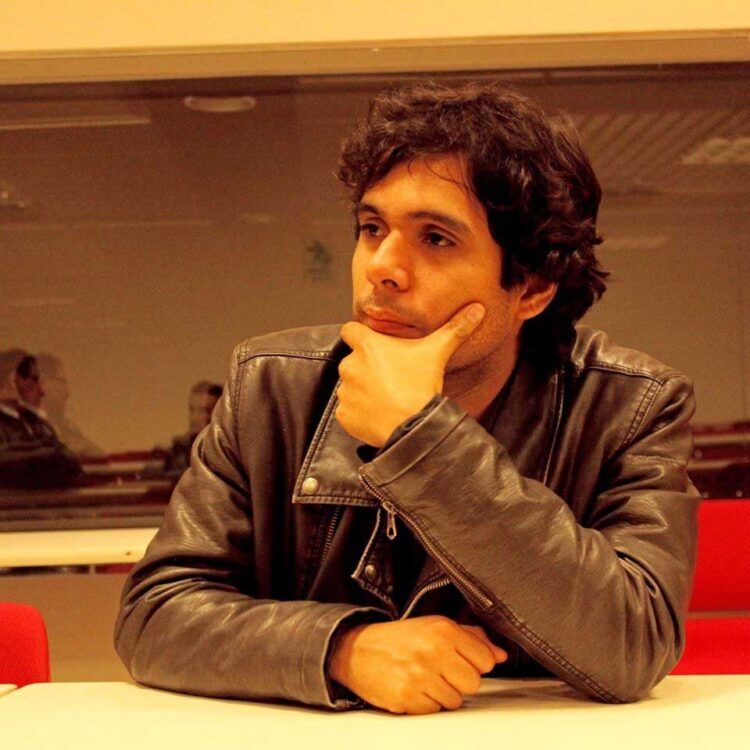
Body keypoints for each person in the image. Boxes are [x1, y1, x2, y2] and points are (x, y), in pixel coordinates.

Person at [115, 82, 698, 716]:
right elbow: (155, 614)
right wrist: (341, 649)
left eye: (436, 239)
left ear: (531, 289)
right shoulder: (272, 387)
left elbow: (634, 645)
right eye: (372, 228)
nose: (381, 267)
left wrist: (424, 439)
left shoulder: (631, 406)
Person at [0, 350, 81, 488]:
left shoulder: (39, 423)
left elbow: (69, 461)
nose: (42, 391)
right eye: (34, 380)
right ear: (12, 380)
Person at [34, 352, 104, 458]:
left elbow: (99, 457)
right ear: (42, 382)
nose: (67, 393)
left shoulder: (66, 426)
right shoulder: (23, 427)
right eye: (62, 382)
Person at [161, 381, 223, 476]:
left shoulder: (227, 450)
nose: (195, 417)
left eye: (204, 411)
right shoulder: (179, 448)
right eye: (192, 410)